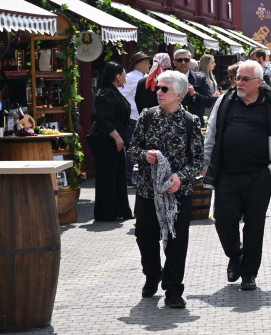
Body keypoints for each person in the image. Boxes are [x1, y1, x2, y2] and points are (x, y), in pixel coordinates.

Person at [203, 60, 271, 291]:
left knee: (254, 225)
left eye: (245, 79)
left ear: (258, 81)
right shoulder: (225, 101)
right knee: (223, 219)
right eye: (237, 78)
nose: (239, 82)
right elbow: (212, 134)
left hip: (260, 176)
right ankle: (235, 255)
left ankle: (249, 273)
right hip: (227, 174)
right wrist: (206, 163)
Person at [128, 70, 205, 309]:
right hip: (148, 190)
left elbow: (198, 161)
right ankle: (152, 274)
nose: (158, 92)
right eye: (157, 88)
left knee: (176, 241)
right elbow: (132, 150)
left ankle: (173, 289)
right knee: (144, 236)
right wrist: (145, 155)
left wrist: (179, 177)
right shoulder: (147, 116)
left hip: (177, 192)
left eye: (164, 89)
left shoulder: (191, 121)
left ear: (179, 94)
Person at [87, 61, 134, 221]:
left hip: (114, 140)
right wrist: (117, 137)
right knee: (108, 177)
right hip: (106, 140)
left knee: (118, 175)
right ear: (117, 76)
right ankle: (106, 214)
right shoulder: (106, 93)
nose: (126, 78)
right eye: (124, 75)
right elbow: (103, 119)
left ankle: (119, 211)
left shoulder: (114, 92)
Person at [120, 51, 150, 186]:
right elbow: (121, 95)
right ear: (139, 65)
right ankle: (126, 177)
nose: (149, 65)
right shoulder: (132, 77)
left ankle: (128, 176)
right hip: (132, 117)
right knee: (132, 148)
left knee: (134, 147)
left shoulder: (138, 76)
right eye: (146, 63)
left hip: (136, 117)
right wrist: (131, 109)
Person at [173, 49, 212, 126]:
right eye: (180, 60)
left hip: (194, 122)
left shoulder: (200, 78)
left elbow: (208, 102)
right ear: (174, 63)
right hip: (174, 121)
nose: (183, 62)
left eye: (186, 60)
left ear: (190, 62)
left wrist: (194, 94)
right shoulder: (167, 78)